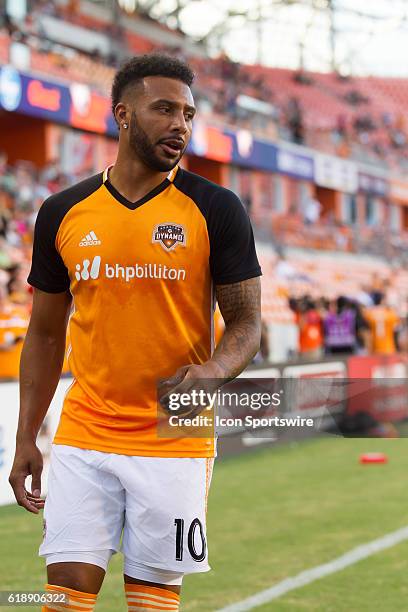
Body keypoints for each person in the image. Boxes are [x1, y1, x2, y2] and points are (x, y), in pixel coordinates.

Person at [9, 54, 262, 612]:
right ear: (122, 114)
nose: (181, 125)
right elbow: (45, 335)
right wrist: (28, 436)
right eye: (164, 109)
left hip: (174, 432)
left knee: (150, 602)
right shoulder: (62, 211)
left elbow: (246, 323)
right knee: (62, 597)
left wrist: (215, 372)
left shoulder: (215, 207)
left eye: (189, 114)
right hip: (85, 430)